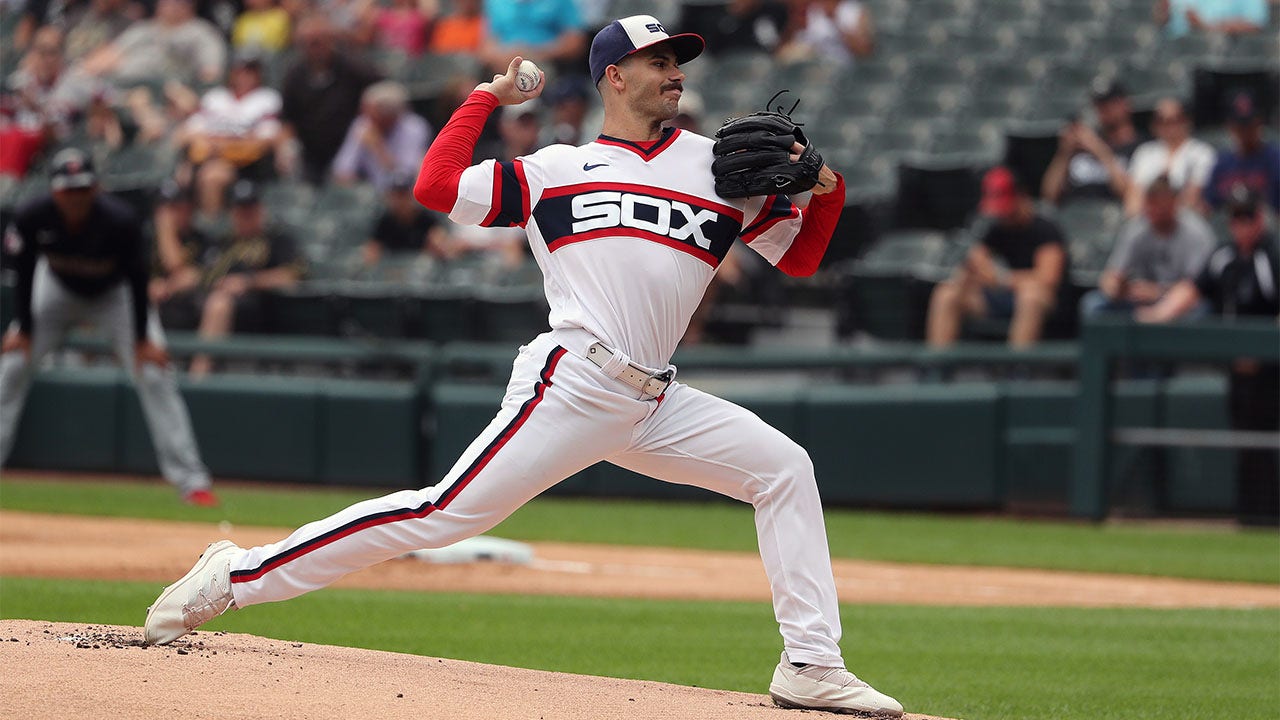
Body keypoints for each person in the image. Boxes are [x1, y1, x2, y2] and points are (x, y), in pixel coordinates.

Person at [143, 14, 904, 718]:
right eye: (659, 61)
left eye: (678, 62)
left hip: (654, 400)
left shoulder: (717, 170)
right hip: (571, 381)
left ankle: (809, 662)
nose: (675, 74)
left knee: (784, 467)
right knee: (440, 513)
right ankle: (237, 574)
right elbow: (436, 186)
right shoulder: (555, 169)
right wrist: (483, 97)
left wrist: (827, 191)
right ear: (614, 76)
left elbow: (799, 261)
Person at [0, 149, 217, 507]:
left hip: (115, 296)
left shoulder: (119, 220)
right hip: (53, 291)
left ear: (96, 188)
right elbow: (23, 271)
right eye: (68, 189)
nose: (76, 196)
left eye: (82, 188)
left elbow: (137, 278)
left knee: (154, 372)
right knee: (10, 367)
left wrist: (142, 339)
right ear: (54, 191)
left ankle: (192, 482)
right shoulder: (32, 214)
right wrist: (23, 329)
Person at [1136, 186, 1278, 526]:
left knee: (1270, 440)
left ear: (1260, 218)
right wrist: (1155, 315)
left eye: (1247, 217)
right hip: (1238, 368)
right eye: (1235, 218)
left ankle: (1271, 517)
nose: (1241, 225)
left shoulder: (1273, 255)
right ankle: (1253, 518)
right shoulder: (1223, 255)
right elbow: (1191, 290)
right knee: (1246, 442)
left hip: (1272, 367)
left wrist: (1263, 349)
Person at [927, 166, 1068, 348]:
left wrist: (1003, 279)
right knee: (946, 293)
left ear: (1021, 196)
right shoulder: (993, 228)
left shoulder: (1045, 228)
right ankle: (936, 369)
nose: (1003, 215)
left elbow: (1048, 279)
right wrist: (974, 271)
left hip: (1041, 304)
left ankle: (1017, 371)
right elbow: (977, 263)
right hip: (998, 299)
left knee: (1030, 295)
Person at [186, 179, 303, 379]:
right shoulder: (223, 242)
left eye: (251, 208)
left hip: (258, 310)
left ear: (261, 209)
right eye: (241, 210)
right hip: (206, 303)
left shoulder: (277, 239)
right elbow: (201, 272)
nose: (246, 215)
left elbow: (291, 276)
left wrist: (248, 282)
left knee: (219, 304)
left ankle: (197, 380)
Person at [1079, 175, 1215, 319]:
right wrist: (1115, 288)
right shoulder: (1136, 228)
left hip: (1178, 301)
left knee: (1201, 310)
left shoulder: (1196, 231)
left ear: (1174, 203)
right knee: (1093, 304)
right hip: (1137, 299)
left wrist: (1157, 292)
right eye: (1151, 203)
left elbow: (1196, 288)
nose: (1154, 209)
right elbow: (1111, 276)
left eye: (1159, 203)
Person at [177, 49, 285, 214]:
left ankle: (211, 228)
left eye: (250, 71)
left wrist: (224, 146)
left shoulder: (267, 98)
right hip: (208, 156)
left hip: (247, 165)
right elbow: (187, 134)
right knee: (179, 178)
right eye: (239, 70)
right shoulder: (215, 97)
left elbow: (265, 140)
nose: (244, 76)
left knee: (213, 177)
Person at [279, 15, 381, 185]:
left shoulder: (352, 67)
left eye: (318, 41)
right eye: (308, 43)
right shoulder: (294, 75)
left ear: (330, 40)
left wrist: (368, 118)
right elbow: (287, 118)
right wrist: (286, 147)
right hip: (310, 149)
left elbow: (381, 91)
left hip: (348, 143)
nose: (314, 48)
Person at [74, 0, 227, 87]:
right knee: (78, 79)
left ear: (189, 6)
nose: (168, 5)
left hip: (165, 90)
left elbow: (211, 74)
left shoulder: (201, 32)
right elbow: (104, 58)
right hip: (119, 85)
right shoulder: (143, 28)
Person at [1041, 77, 1142, 206]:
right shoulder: (1082, 147)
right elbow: (1049, 196)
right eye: (1099, 104)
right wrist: (1064, 153)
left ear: (1125, 104)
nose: (1105, 110)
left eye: (1111, 103)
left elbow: (1127, 194)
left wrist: (1100, 151)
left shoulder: (1142, 147)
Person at [331, 80, 433, 190]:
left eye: (372, 113)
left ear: (389, 115)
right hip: (370, 193)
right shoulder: (363, 124)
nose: (366, 116)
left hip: (404, 194)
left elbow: (405, 176)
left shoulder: (414, 127)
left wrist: (378, 147)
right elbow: (342, 169)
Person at [1125, 97, 1216, 216]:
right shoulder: (1144, 152)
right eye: (1162, 121)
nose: (1169, 126)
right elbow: (1134, 197)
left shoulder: (1201, 152)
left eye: (1175, 120)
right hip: (1146, 221)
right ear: (1154, 125)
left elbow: (1192, 197)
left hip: (1183, 221)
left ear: (1186, 121)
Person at [1202, 91, 1280, 214]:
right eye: (1241, 126)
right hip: (1226, 229)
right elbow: (1209, 206)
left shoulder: (1275, 158)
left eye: (1250, 125)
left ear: (1259, 123)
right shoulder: (1222, 162)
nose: (1246, 131)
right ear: (1231, 126)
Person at [361, 171, 447, 269]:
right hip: (392, 269)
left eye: (403, 195)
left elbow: (439, 243)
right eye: (396, 195)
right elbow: (372, 250)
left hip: (420, 269)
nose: (400, 201)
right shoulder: (384, 221)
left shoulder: (426, 218)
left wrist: (437, 244)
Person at [478, 0, 587, 74]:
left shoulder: (560, 2)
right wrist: (507, 58)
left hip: (547, 64)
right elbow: (486, 47)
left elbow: (575, 42)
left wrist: (534, 54)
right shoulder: (495, 3)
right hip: (503, 64)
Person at [778, 0, 874, 66]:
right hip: (815, 59)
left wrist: (835, 20)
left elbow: (863, 50)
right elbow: (803, 36)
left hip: (841, 63)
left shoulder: (854, 11)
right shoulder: (814, 8)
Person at [680, 0, 789, 56]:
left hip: (760, 60)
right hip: (721, 60)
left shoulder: (772, 11)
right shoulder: (712, 15)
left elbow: (777, 41)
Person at [1153, 0, 1270, 37]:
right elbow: (1166, 24)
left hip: (1233, 65)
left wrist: (1205, 26)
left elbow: (1256, 23)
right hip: (1187, 62)